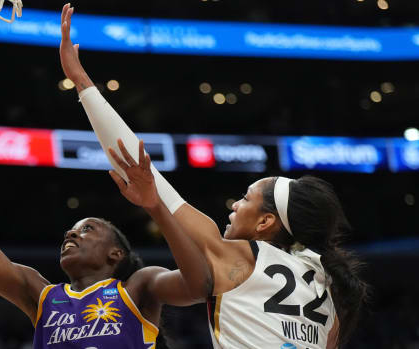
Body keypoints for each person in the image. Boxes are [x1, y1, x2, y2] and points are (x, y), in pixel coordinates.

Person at [58, 3, 369, 348]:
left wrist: (83, 84)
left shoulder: (237, 256)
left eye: (247, 198)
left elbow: (139, 167)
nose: (235, 205)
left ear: (266, 221)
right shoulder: (328, 291)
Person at [0, 86, 211, 349]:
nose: (70, 234)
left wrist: (154, 207)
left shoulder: (139, 287)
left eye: (86, 229)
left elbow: (200, 287)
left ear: (115, 254)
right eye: (72, 230)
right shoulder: (40, 295)